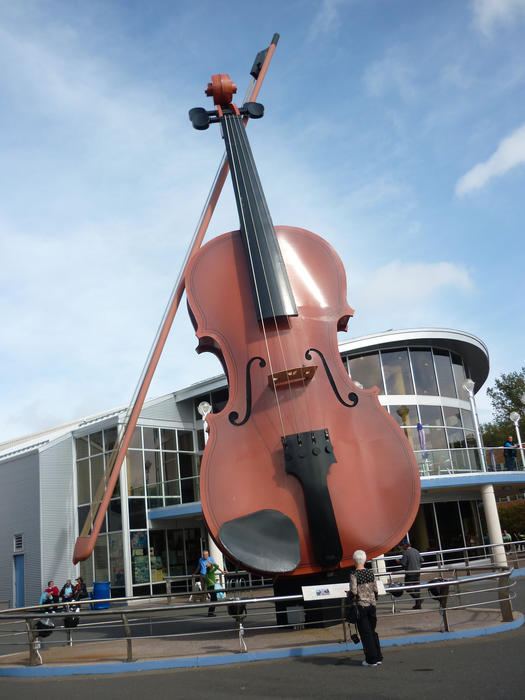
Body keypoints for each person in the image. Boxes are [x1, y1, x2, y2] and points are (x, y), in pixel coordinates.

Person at [348, 550, 382, 666]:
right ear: (364, 559)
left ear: (354, 560)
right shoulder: (370, 572)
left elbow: (353, 591)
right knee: (372, 632)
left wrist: (348, 595)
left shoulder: (354, 574)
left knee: (365, 634)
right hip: (372, 605)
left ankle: (371, 659)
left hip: (361, 606)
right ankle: (378, 657)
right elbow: (375, 589)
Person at [193, 550, 226, 617]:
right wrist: (213, 564)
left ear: (208, 555)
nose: (204, 556)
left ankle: (210, 612)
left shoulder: (208, 572)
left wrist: (221, 570)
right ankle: (210, 612)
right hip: (210, 584)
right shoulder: (211, 572)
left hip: (209, 584)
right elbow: (216, 566)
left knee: (213, 599)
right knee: (214, 599)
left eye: (205, 555)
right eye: (203, 555)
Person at [398, 540, 422, 609]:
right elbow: (422, 561)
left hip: (409, 573)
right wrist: (418, 567)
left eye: (402, 546)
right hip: (417, 572)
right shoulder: (416, 550)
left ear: (405, 545)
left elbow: (403, 564)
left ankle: (418, 600)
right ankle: (418, 605)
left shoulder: (406, 553)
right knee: (417, 588)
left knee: (407, 587)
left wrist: (399, 561)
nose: (402, 547)